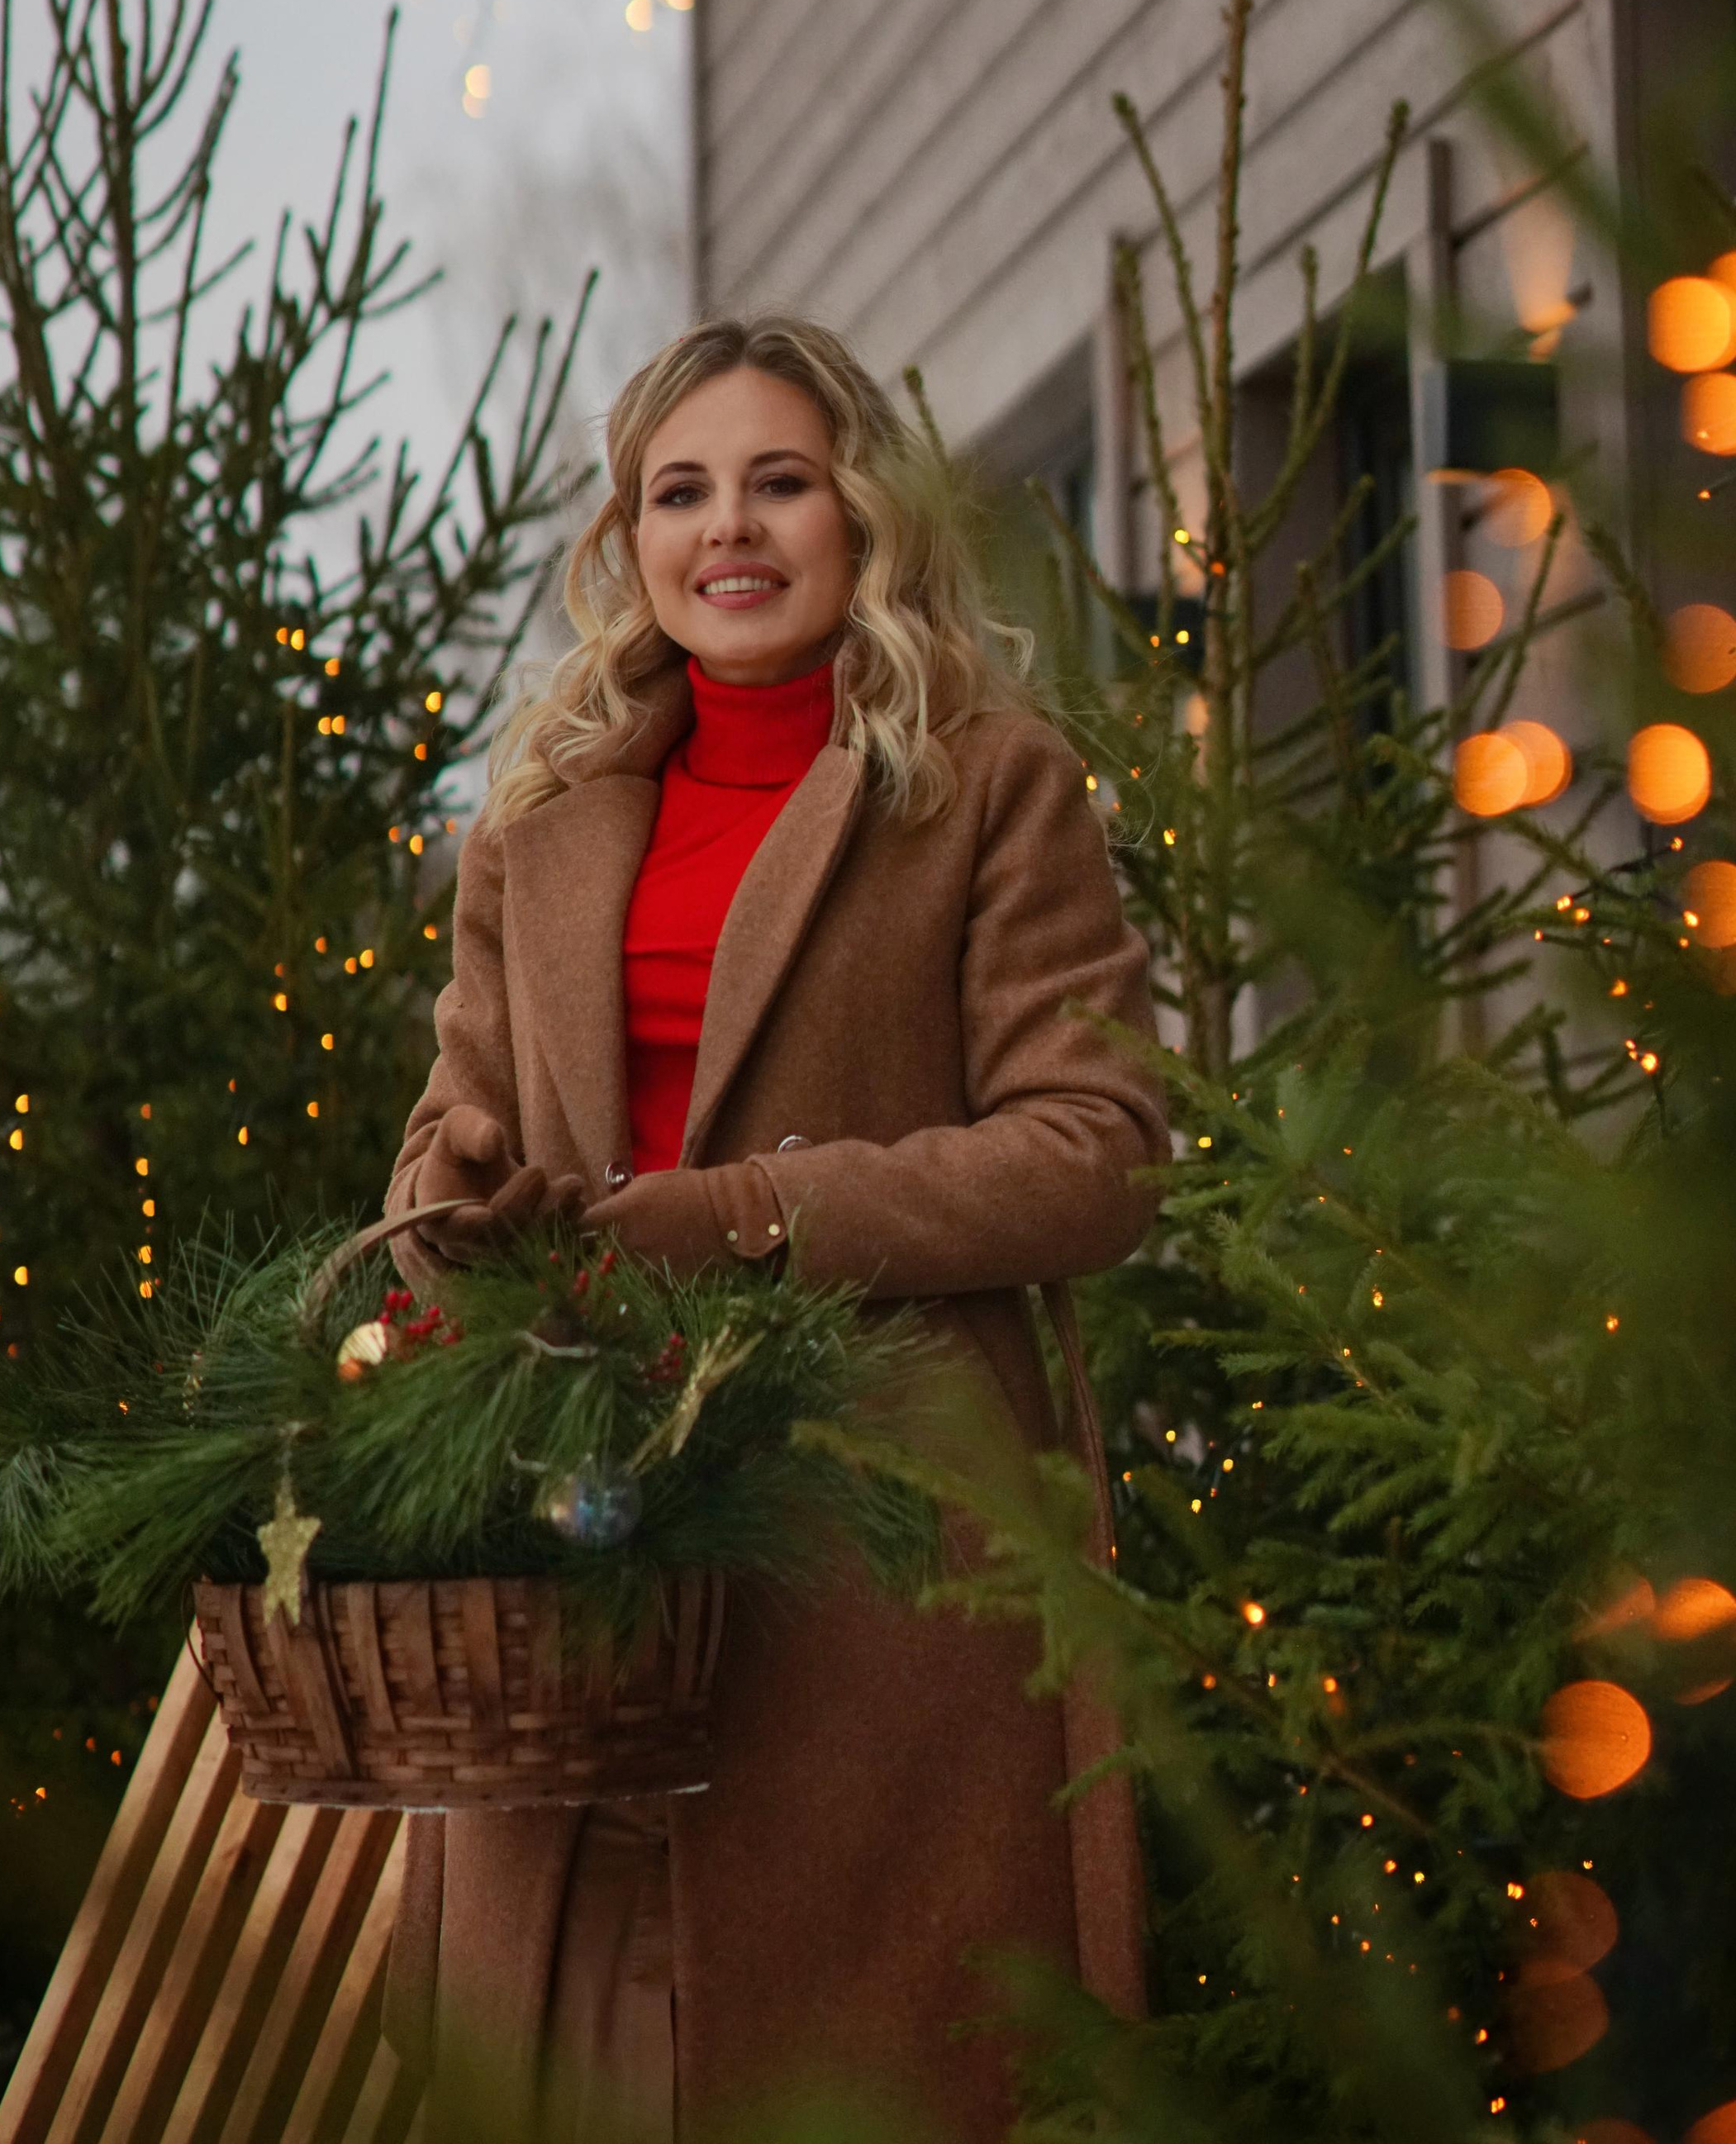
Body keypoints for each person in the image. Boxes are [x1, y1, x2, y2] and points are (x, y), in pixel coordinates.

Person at [381, 313, 1166, 2141]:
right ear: (632, 537)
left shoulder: (985, 784)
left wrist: (737, 1218)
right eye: (680, 491)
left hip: (883, 1569)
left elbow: (1097, 1148)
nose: (726, 526)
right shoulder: (536, 826)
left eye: (778, 480)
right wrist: (451, 1214)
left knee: (870, 2069)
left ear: (861, 512)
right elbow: (442, 1135)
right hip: (573, 1539)